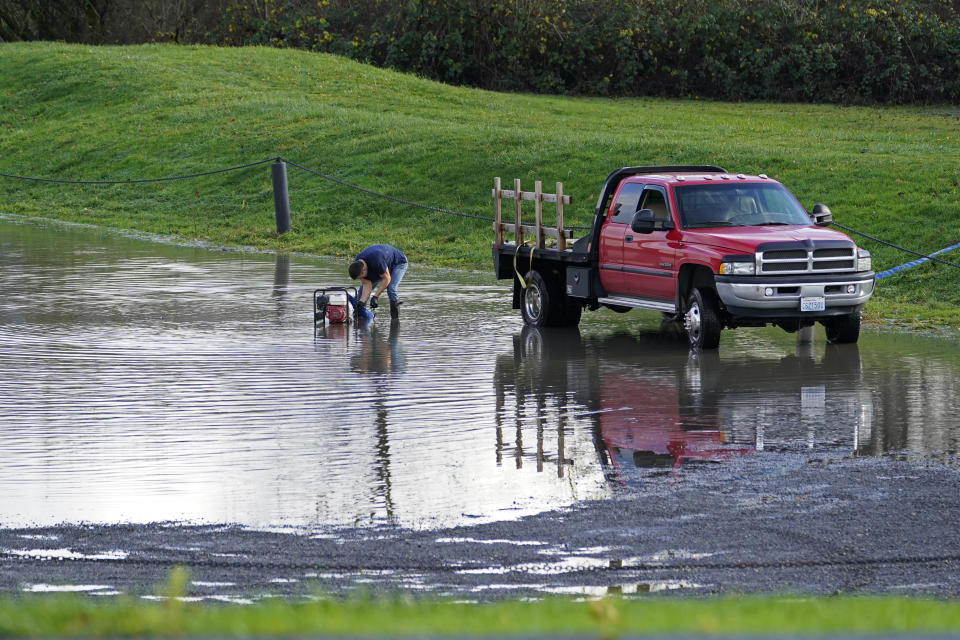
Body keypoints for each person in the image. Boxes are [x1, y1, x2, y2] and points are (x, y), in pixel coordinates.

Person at [348, 244, 408, 320]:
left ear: (364, 270)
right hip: (379, 268)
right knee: (361, 292)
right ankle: (359, 317)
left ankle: (395, 319)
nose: (362, 279)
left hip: (398, 263)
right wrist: (361, 302)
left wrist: (375, 296)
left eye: (361, 277)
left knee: (391, 288)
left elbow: (387, 278)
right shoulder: (357, 265)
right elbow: (367, 284)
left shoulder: (377, 261)